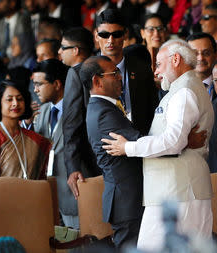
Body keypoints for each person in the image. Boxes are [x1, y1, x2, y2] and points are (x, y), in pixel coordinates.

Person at [102, 39, 214, 251]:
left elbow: (173, 142)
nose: (156, 71)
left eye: (159, 64)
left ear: (175, 59)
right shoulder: (181, 89)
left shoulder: (184, 91)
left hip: (179, 192)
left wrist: (128, 147)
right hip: (176, 190)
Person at [67, 9, 158, 198]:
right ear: (96, 36)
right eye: (104, 34)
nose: (110, 40)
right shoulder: (79, 73)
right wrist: (73, 166)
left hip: (143, 160)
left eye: (116, 34)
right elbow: (72, 126)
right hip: (100, 164)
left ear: (125, 35)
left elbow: (153, 113)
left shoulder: (141, 69)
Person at [81, 55, 144, 248]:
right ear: (97, 81)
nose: (120, 77)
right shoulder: (103, 113)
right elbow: (139, 143)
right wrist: (180, 141)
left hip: (128, 199)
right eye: (114, 73)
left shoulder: (105, 107)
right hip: (126, 201)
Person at [30, 59, 80, 229]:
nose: (35, 89)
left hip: (74, 196)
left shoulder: (78, 108)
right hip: (49, 197)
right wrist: (27, 124)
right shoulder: (42, 111)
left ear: (57, 84)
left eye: (39, 84)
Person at [59, 27, 102, 200]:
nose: (59, 51)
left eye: (63, 47)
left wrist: (73, 166)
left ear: (76, 50)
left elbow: (71, 123)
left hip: (88, 160)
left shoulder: (75, 73)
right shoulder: (102, 66)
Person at [0, 80, 51, 179]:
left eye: (20, 99)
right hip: (0, 194)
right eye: (9, 99)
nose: (15, 103)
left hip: (31, 194)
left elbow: (42, 179)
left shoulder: (36, 140)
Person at [186, 32, 217, 99]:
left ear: (215, 55)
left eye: (206, 53)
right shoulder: (178, 86)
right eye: (195, 53)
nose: (200, 58)